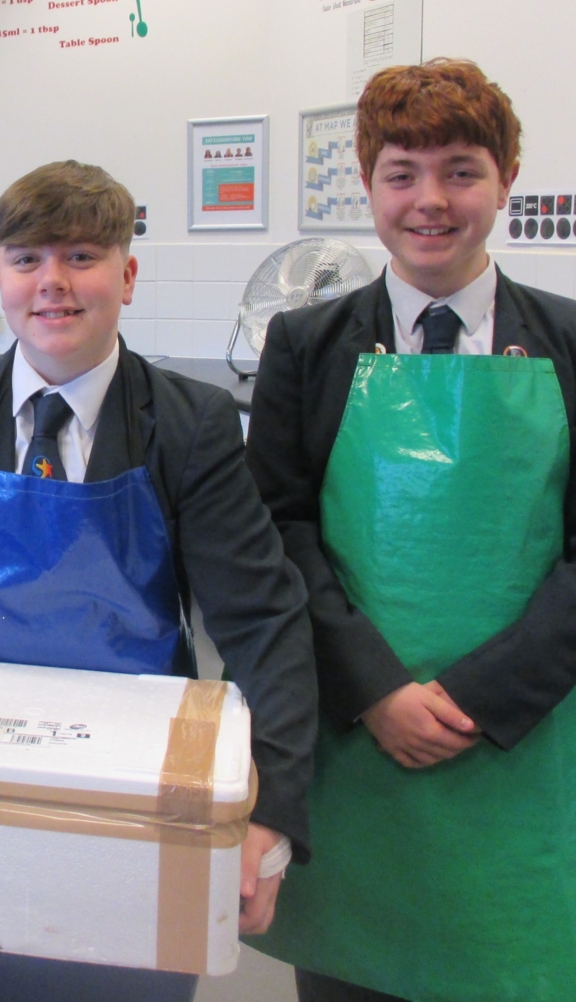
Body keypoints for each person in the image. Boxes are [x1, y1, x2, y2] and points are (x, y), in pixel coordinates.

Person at [0, 159, 317, 1002]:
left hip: (131, 817)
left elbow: (264, 621)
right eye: (26, 259)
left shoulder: (189, 428)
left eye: (81, 256)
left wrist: (273, 812)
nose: (53, 284)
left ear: (127, 273)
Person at [245, 58, 576, 1002]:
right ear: (369, 185)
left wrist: (478, 695)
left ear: (505, 180)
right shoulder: (306, 347)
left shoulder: (569, 343)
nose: (431, 200)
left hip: (524, 746)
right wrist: (379, 690)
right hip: (355, 746)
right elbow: (280, 531)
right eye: (402, 173)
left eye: (461, 170)